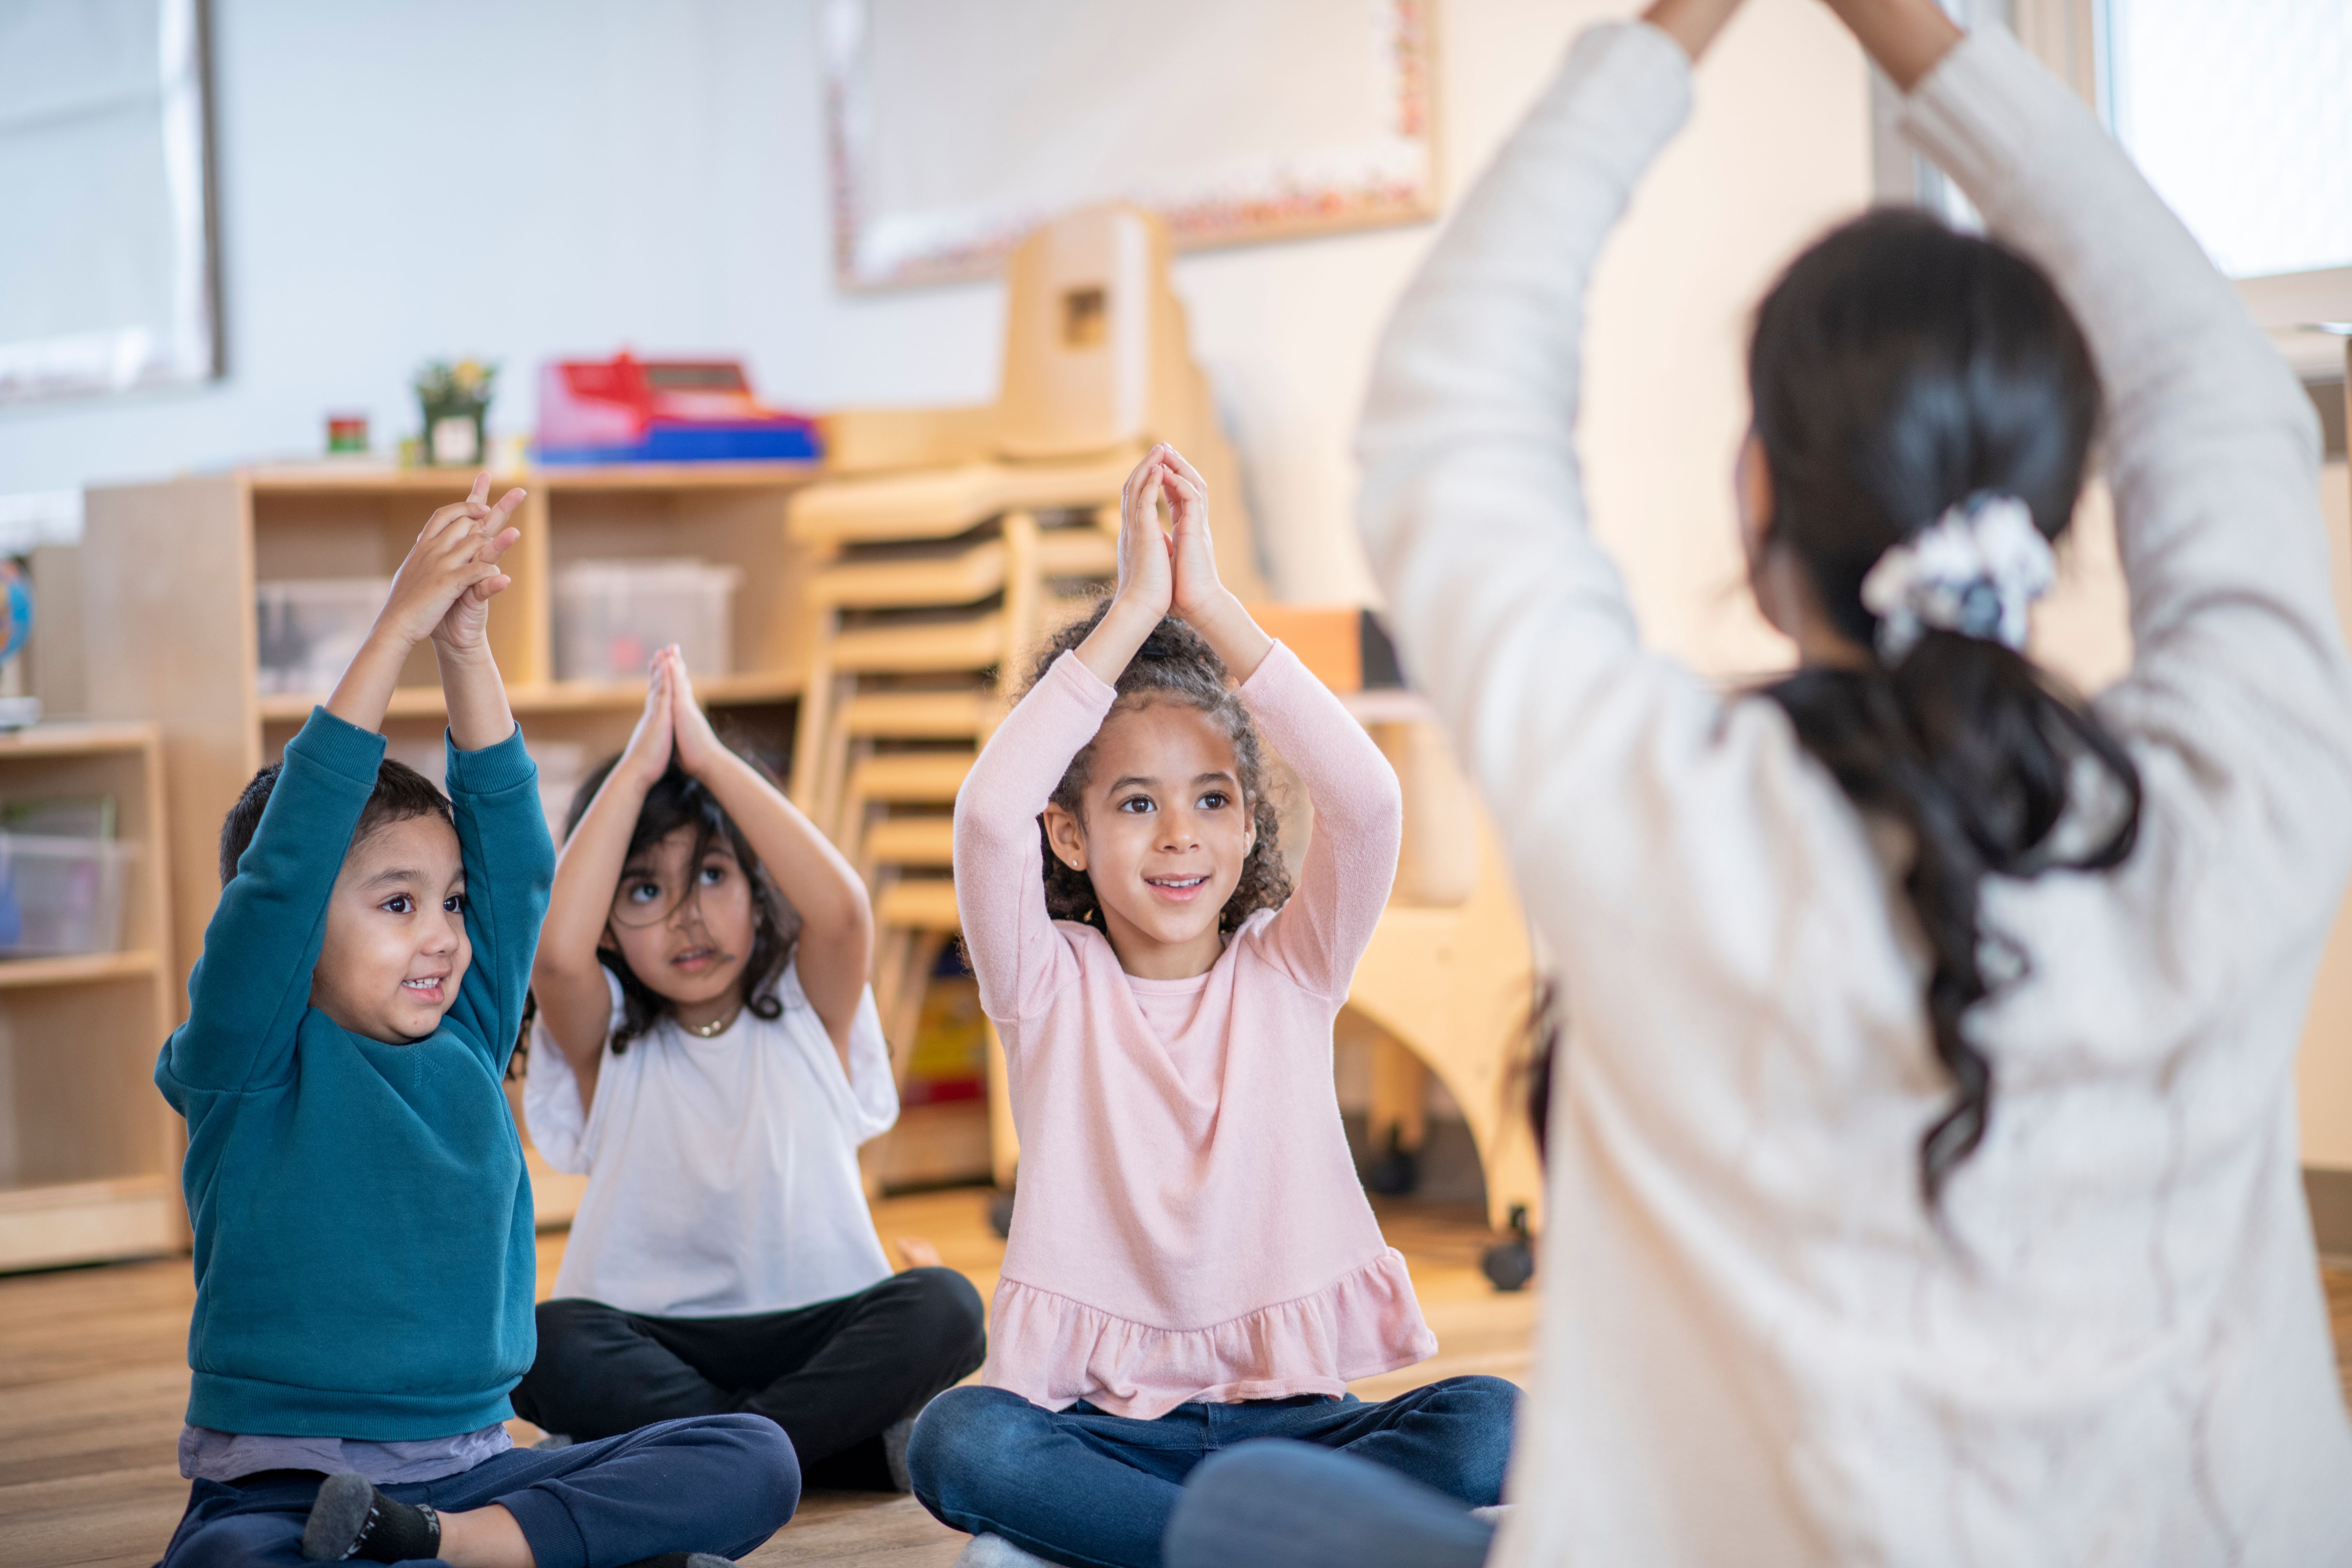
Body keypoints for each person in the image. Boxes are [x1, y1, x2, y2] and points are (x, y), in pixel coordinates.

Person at [1165, 0, 2352, 1562]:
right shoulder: (2227, 798)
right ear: (2065, 507)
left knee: (1247, 1508)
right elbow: (2224, 392)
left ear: (1758, 497)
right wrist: (1927, 38)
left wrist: (1675, 27)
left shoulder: (1665, 801)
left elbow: (1446, 401)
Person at [154, 475, 798, 1568]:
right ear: (301, 931)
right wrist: (397, 625)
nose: (445, 935)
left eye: (447, 904)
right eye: (397, 905)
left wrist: (464, 649)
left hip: (470, 1478)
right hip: (281, 1489)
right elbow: (283, 875)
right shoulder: (246, 1057)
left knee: (756, 1459)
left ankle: (448, 1548)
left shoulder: (468, 1028)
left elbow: (516, 866)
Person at [904, 443, 1518, 1568]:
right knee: (959, 1443)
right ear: (1073, 835)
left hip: (1300, 1428)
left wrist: (1216, 611)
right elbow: (989, 815)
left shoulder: (1293, 968)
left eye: (1211, 801)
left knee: (1493, 1421)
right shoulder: (1045, 984)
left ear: (1247, 828)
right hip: (1108, 1433)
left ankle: (1189, 1548)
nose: (1181, 833)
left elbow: (1370, 803)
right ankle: (1272, 1551)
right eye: (1136, 803)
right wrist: (1134, 609)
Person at [513, 644, 985, 1490]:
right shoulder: (607, 1032)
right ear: (610, 928)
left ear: (760, 887)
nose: (689, 918)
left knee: (948, 1308)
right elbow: (554, 954)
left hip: (820, 1321)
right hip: (650, 1332)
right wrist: (638, 768)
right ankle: (816, 1447)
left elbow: (842, 909)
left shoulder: (809, 1004)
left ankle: (686, 1456)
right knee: (540, 1342)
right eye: (646, 892)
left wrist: (709, 757)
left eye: (714, 875)